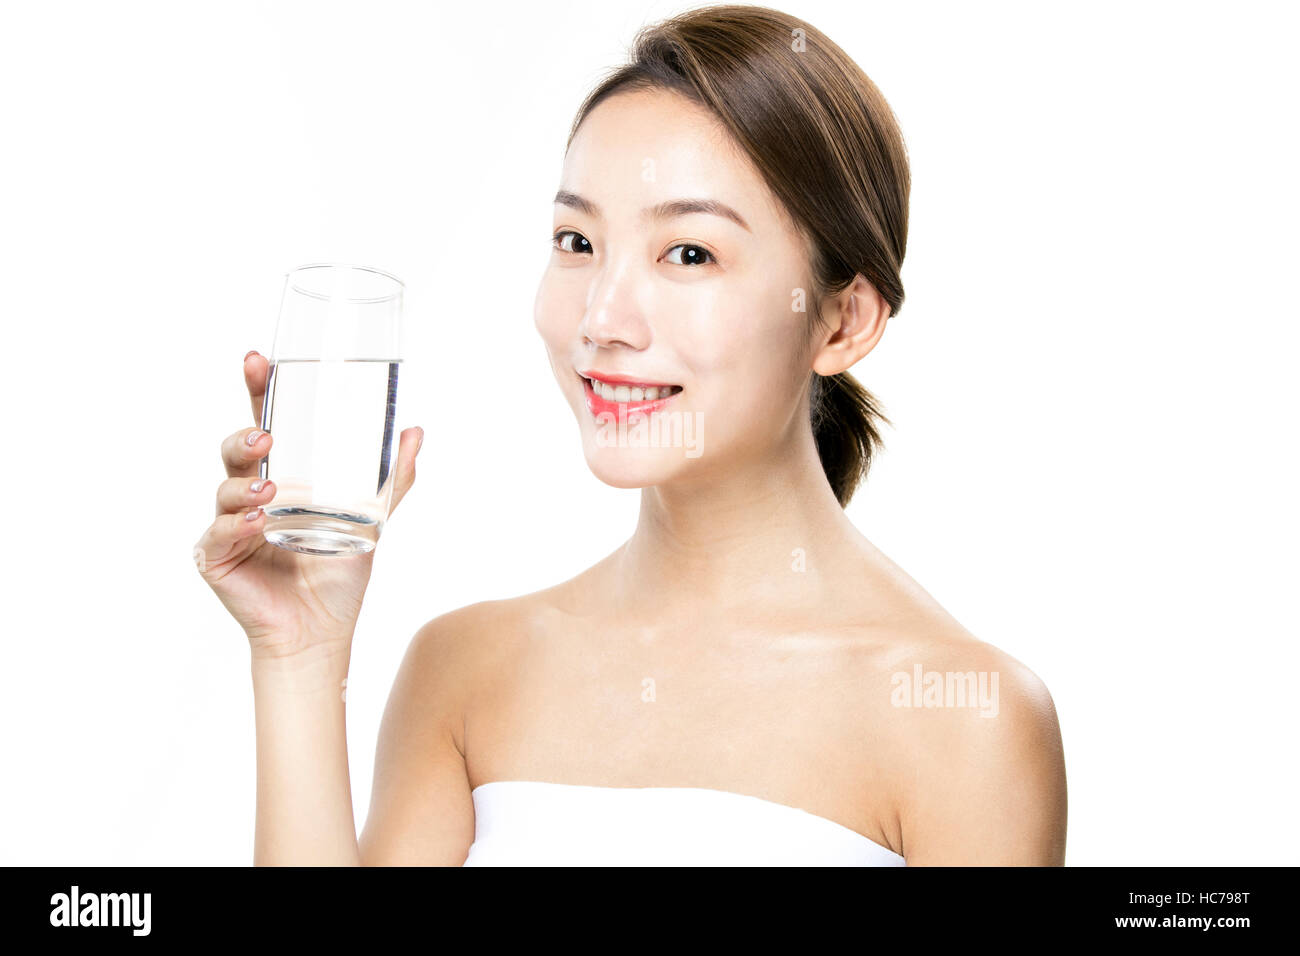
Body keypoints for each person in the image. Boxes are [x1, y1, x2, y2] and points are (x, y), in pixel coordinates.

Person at [194, 4, 1067, 866]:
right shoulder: (465, 672)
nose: (603, 318)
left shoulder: (964, 716)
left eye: (689, 253)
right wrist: (300, 652)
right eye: (577, 240)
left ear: (843, 321)